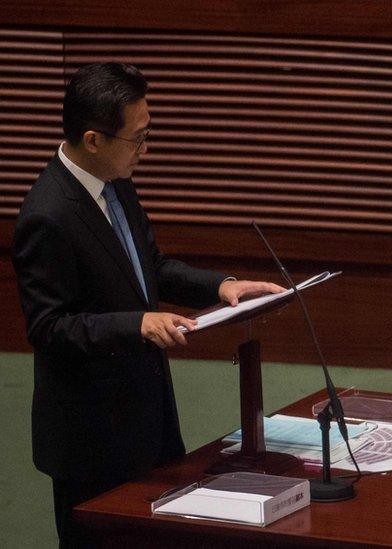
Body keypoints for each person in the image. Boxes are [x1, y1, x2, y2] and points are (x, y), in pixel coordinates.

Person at [11, 62, 285, 547]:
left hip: (149, 422)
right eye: (137, 138)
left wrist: (222, 286)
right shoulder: (47, 215)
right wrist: (136, 324)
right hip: (92, 442)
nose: (145, 149)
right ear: (93, 140)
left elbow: (148, 267)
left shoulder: (114, 181)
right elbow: (49, 327)